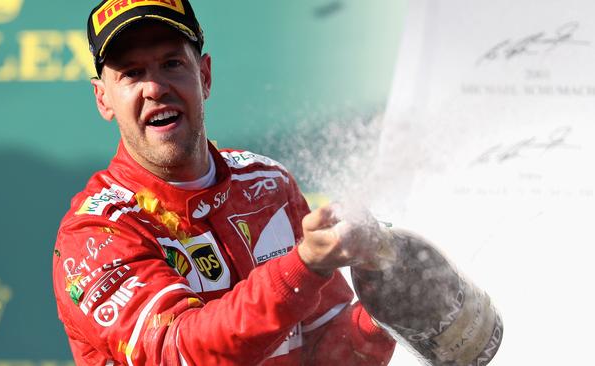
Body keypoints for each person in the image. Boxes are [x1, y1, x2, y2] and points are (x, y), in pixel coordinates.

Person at [52, 0, 396, 364]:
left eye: (172, 64)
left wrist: (385, 314)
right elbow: (181, 351)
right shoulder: (96, 233)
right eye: (132, 74)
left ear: (205, 77)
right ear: (103, 99)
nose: (154, 88)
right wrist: (304, 266)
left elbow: (326, 351)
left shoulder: (269, 186)